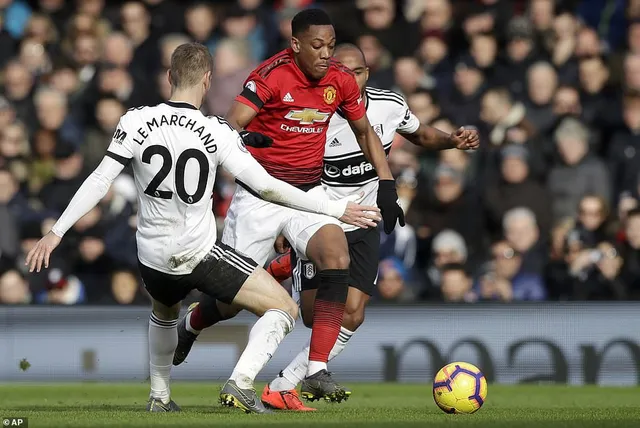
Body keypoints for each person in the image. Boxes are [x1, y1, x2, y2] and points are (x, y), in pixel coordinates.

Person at [25, 42, 380, 414]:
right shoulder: (215, 131)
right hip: (200, 254)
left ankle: (159, 397)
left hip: (152, 255)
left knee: (164, 312)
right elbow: (268, 188)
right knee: (283, 309)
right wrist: (335, 207)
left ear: (169, 77)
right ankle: (241, 382)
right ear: (208, 81)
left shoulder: (135, 119)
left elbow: (99, 180)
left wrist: (56, 232)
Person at [173, 43, 479, 410]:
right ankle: (195, 321)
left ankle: (288, 382)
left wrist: (449, 142)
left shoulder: (388, 105)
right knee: (272, 308)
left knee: (354, 313)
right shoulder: (317, 112)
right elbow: (279, 154)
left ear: (368, 72)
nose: (352, 79)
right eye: (344, 71)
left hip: (361, 216)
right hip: (316, 208)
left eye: (359, 72)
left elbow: (417, 133)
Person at [172, 9, 405, 403]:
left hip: (308, 194)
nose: (325, 54)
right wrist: (247, 140)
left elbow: (365, 131)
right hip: (260, 197)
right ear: (295, 44)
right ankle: (191, 324)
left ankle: (316, 369)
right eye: (317, 46)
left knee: (335, 256)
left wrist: (386, 182)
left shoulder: (339, 80)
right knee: (229, 303)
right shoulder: (270, 76)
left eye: (330, 46)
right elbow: (233, 124)